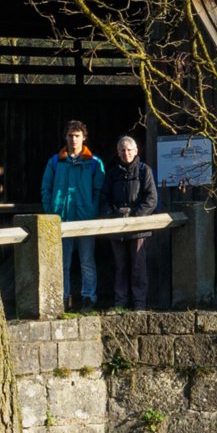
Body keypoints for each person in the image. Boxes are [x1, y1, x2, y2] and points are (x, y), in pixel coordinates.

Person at [41, 119, 104, 309]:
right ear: (65, 137)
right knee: (62, 263)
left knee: (87, 261)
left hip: (85, 218)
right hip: (61, 219)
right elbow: (46, 188)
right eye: (70, 135)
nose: (74, 139)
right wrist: (51, 212)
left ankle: (88, 297)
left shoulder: (93, 163)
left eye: (77, 136)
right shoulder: (55, 161)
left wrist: (92, 210)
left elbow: (99, 190)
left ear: (84, 137)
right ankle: (62, 297)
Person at [101, 133, 159, 310]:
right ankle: (120, 303)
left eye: (128, 150)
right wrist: (111, 215)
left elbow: (151, 199)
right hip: (117, 227)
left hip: (138, 228)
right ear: (118, 153)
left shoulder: (144, 171)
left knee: (138, 266)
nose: (125, 153)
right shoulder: (112, 174)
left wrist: (135, 217)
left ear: (136, 151)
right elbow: (104, 197)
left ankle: (139, 304)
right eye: (122, 150)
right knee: (120, 266)